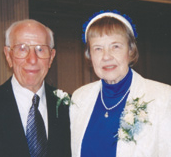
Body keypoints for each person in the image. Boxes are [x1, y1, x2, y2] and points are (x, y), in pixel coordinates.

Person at [70, 10, 171, 157]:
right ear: (89, 55)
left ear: (130, 50)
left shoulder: (164, 97)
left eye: (115, 46)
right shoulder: (79, 98)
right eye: (98, 49)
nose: (106, 56)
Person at [0, 19, 71, 157]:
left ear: (51, 57)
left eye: (40, 49)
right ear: (8, 55)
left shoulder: (70, 109)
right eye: (22, 49)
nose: (32, 59)